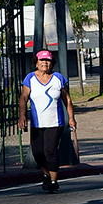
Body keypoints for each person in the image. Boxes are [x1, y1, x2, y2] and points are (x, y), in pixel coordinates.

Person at [18, 50, 76, 193]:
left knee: (50, 151)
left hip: (55, 122)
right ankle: (46, 173)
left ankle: (54, 182)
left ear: (52, 63)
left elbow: (67, 99)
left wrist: (71, 118)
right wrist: (22, 116)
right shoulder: (30, 78)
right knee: (38, 152)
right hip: (37, 123)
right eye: (42, 60)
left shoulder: (58, 78)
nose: (45, 63)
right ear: (36, 63)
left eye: (48, 60)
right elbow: (23, 98)